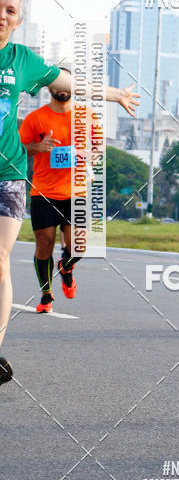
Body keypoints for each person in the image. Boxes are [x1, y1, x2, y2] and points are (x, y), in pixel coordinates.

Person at [0, 0, 139, 387]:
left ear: (18, 20)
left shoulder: (22, 60)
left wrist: (113, 94)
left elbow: (71, 81)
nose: (3, 15)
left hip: (8, 176)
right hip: (43, 185)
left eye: (11, 10)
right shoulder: (37, 118)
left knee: (1, 260)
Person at [19, 74, 91, 313]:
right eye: (57, 84)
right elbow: (17, 149)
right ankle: (46, 295)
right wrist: (37, 147)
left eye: (66, 84)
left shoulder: (86, 117)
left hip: (76, 191)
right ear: (49, 87)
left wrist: (88, 155)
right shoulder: (35, 118)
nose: (62, 89)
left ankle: (66, 267)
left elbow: (97, 149)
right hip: (44, 192)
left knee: (79, 245)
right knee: (44, 244)